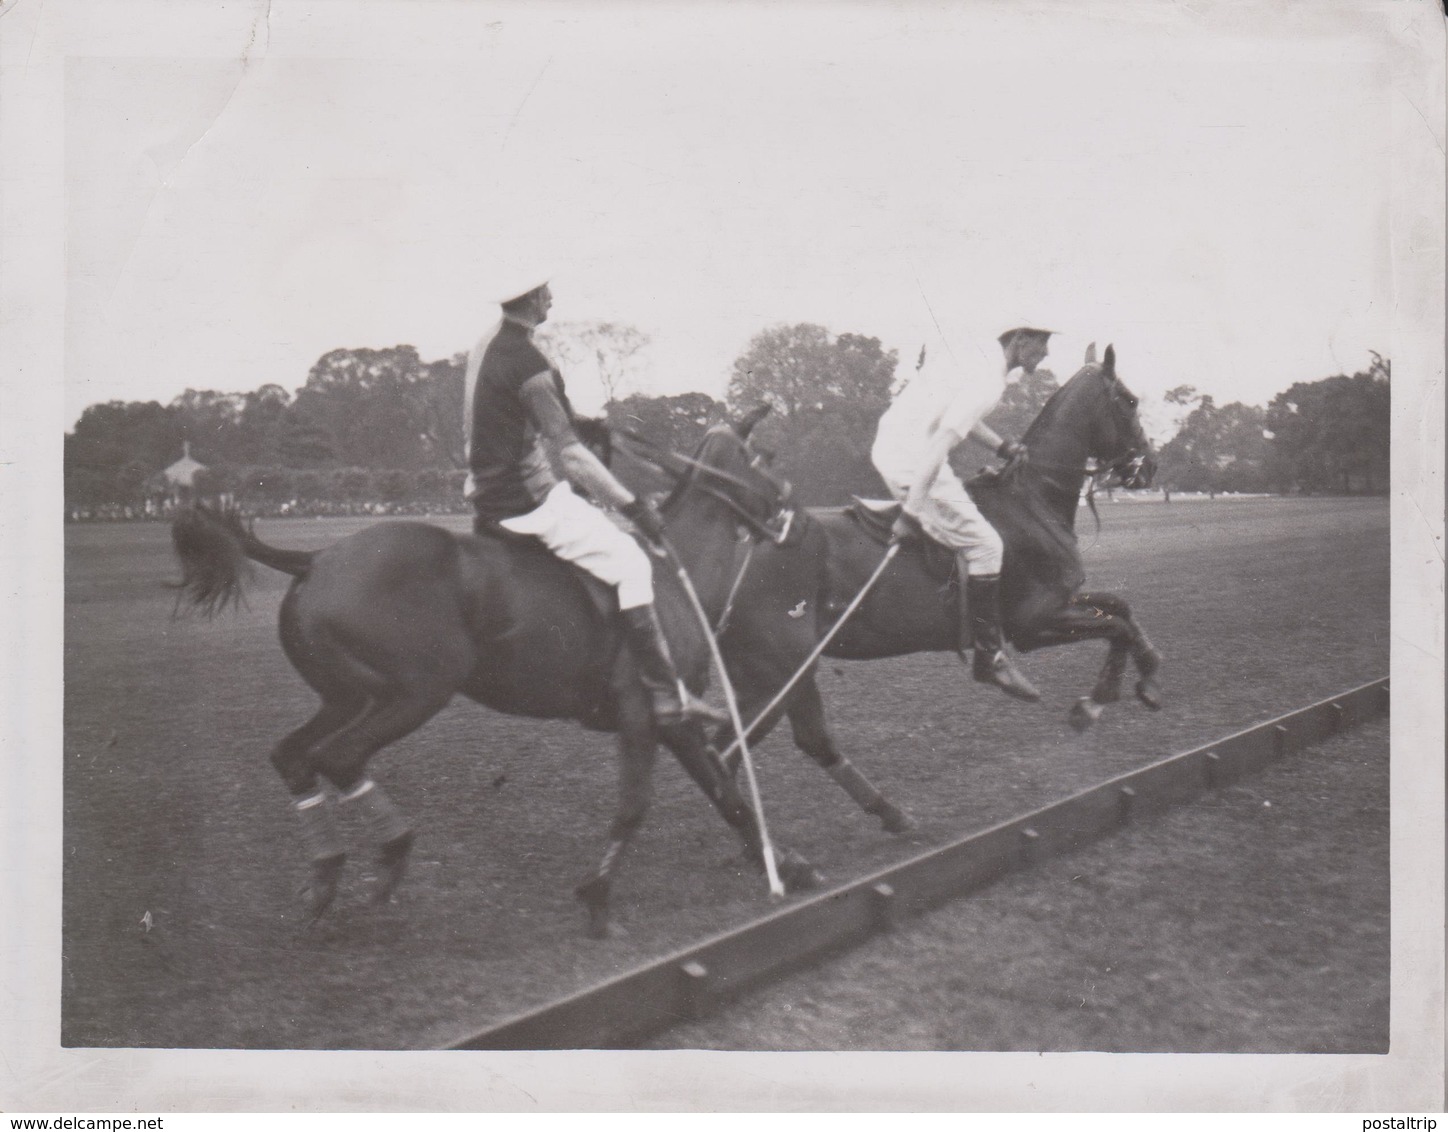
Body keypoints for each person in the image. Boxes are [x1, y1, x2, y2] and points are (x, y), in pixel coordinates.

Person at [463, 272, 725, 729]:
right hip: (526, 501)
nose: (551, 296)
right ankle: (666, 695)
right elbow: (571, 456)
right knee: (631, 561)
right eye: (545, 290)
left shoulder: (487, 344)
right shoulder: (531, 365)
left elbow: (526, 419)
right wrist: (632, 506)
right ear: (529, 299)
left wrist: (580, 422)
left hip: (485, 493)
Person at [870, 320, 1050, 702]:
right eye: (1041, 342)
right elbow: (939, 444)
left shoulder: (975, 359)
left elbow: (961, 420)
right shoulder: (989, 380)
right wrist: (911, 513)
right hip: (913, 458)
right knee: (987, 546)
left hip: (893, 445)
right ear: (1018, 340)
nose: (1046, 352)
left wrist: (1001, 446)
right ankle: (990, 657)